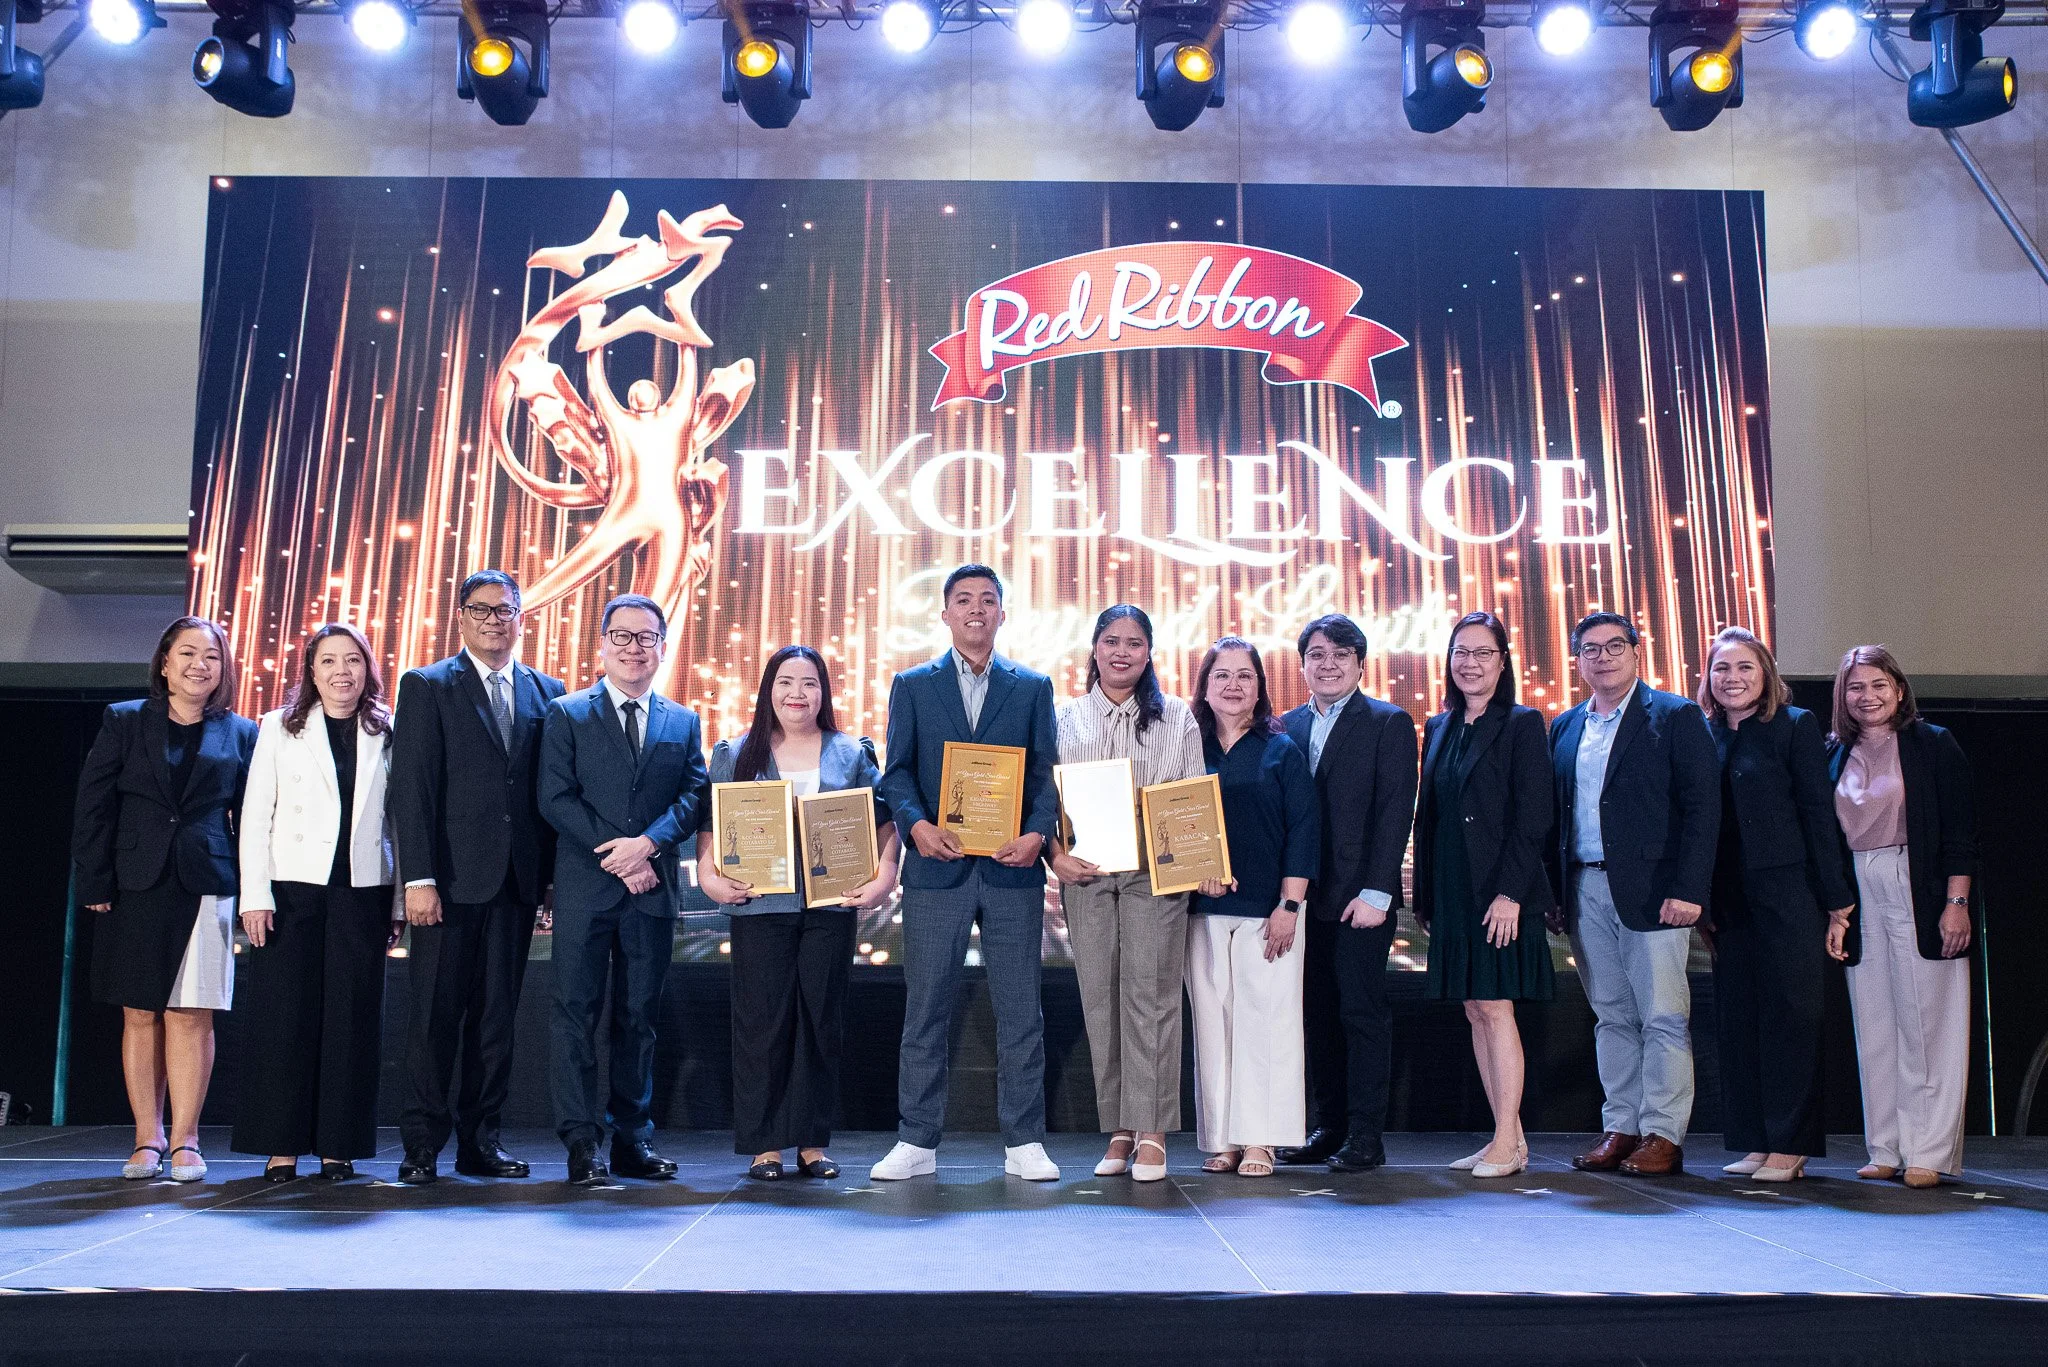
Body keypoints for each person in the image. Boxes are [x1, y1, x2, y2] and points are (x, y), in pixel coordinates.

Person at [870, 564, 1062, 1182]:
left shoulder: (1032, 688)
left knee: (1020, 1010)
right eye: (963, 600)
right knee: (925, 1006)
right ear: (945, 614)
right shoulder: (913, 685)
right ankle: (917, 1140)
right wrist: (916, 825)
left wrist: (1037, 832)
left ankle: (1024, 1141)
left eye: (987, 600)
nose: (975, 609)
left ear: (1003, 614)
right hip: (936, 867)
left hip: (1012, 872)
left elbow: (1043, 778)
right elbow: (895, 772)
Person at [390, 569, 566, 1185]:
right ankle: (421, 1147)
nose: (495, 620)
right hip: (448, 885)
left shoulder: (549, 692)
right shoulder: (427, 686)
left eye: (506, 610)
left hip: (517, 884)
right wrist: (419, 879)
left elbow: (547, 794)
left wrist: (547, 880)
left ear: (522, 618)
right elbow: (411, 792)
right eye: (482, 609)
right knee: (435, 1018)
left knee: (496, 1021)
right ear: (460, 616)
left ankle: (480, 1143)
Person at [698, 645, 900, 1182]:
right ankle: (765, 1144)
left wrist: (884, 876)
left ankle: (812, 1141)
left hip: (831, 906)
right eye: (785, 682)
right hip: (758, 903)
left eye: (809, 683)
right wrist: (709, 876)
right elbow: (711, 828)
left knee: (819, 1020)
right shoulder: (735, 751)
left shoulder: (851, 752)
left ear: (823, 692)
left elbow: (882, 823)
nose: (797, 694)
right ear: (768, 689)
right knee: (762, 1023)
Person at [71, 617, 258, 1184]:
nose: (200, 665)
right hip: (135, 881)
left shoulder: (242, 732)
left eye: (212, 657)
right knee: (140, 1011)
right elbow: (93, 805)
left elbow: (252, 821)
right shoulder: (125, 720)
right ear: (164, 662)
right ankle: (146, 1140)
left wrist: (255, 891)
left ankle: (186, 1142)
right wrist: (96, 881)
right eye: (188, 654)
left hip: (206, 879)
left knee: (191, 1012)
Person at [539, 594, 709, 1187]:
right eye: (622, 637)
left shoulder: (682, 721)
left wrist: (649, 845)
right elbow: (555, 797)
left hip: (653, 889)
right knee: (574, 1015)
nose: (633, 648)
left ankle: (633, 1140)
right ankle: (581, 1143)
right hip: (588, 888)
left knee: (639, 1018)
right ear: (602, 645)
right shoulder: (566, 713)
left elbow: (694, 797)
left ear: (662, 647)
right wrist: (621, 854)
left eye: (645, 638)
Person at [1548, 611, 1718, 1177]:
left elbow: (1702, 809)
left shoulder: (1674, 716)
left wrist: (1691, 888)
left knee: (1664, 1016)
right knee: (1612, 1017)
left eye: (1614, 646)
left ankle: (1663, 1133)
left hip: (1655, 893)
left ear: (1636, 651)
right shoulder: (1566, 726)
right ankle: (1621, 1126)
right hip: (1585, 887)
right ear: (1578, 660)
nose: (1603, 657)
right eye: (1590, 649)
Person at [232, 624, 403, 1182]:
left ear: (367, 669)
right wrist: (254, 895)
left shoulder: (388, 728)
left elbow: (399, 824)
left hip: (364, 890)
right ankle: (281, 1146)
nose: (341, 672)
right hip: (291, 890)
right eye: (328, 661)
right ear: (310, 671)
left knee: (352, 1019)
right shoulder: (279, 728)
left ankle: (339, 1145)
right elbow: (255, 816)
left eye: (352, 660)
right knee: (285, 1017)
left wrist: (399, 901)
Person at [1050, 606, 1205, 1183]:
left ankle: (1154, 1131)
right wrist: (1054, 856)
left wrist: (1196, 862)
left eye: (1134, 643)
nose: (1121, 652)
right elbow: (1045, 799)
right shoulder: (1064, 717)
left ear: (1148, 653)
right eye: (1111, 641)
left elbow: (1190, 798)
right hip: (1087, 870)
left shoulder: (1178, 718)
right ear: (1093, 649)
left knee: (1154, 996)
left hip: (1155, 872)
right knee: (1101, 997)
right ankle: (1119, 1128)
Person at [1698, 627, 1855, 1183]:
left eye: (1744, 668)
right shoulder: (1703, 732)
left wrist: (1836, 902)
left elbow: (1818, 815)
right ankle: (1755, 1139)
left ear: (1765, 674)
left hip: (1789, 892)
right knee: (1739, 1021)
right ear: (1708, 678)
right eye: (1722, 669)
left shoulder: (1794, 726)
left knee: (1792, 1016)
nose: (1732, 679)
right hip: (1728, 900)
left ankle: (1791, 1144)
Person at [1826, 645, 1977, 1190]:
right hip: (1857, 891)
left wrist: (1956, 904)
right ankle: (1885, 1147)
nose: (1867, 696)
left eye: (1878, 685)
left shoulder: (1932, 745)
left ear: (1899, 688)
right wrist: (1836, 909)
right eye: (1855, 687)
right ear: (1843, 696)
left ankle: (1928, 1152)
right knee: (1876, 1025)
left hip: (1919, 883)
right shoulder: (1833, 751)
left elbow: (1961, 832)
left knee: (1927, 1024)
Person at [1412, 611, 1554, 1180]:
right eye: (1461, 653)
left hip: (1499, 894)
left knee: (1496, 1008)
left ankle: (1504, 1139)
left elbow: (1535, 816)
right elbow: (1431, 819)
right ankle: (1508, 1137)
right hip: (1451, 890)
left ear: (1503, 661)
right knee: (1474, 1009)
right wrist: (1423, 897)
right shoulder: (1440, 725)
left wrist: (1511, 893)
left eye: (1483, 653)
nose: (1470, 663)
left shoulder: (1522, 724)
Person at [1276, 614, 1418, 1174]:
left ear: (1361, 664)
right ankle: (1327, 1126)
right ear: (1303, 663)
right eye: (1316, 653)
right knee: (1316, 1016)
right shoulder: (1284, 725)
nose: (1327, 663)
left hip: (1361, 899)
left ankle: (1365, 1137)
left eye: (1340, 654)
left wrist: (1379, 889)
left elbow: (1394, 810)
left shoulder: (1387, 722)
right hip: (1299, 901)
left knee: (1361, 1014)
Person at [1186, 637, 1320, 1179]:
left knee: (1267, 1024)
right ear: (1206, 685)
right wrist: (1192, 873)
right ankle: (1224, 1138)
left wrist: (1290, 904)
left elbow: (1304, 831)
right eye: (1222, 675)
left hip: (1271, 911)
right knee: (1213, 1025)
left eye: (1245, 676)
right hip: (1201, 909)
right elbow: (1171, 823)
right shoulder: (1188, 746)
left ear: (1260, 687)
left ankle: (1261, 1140)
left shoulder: (1280, 749)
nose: (1233, 685)